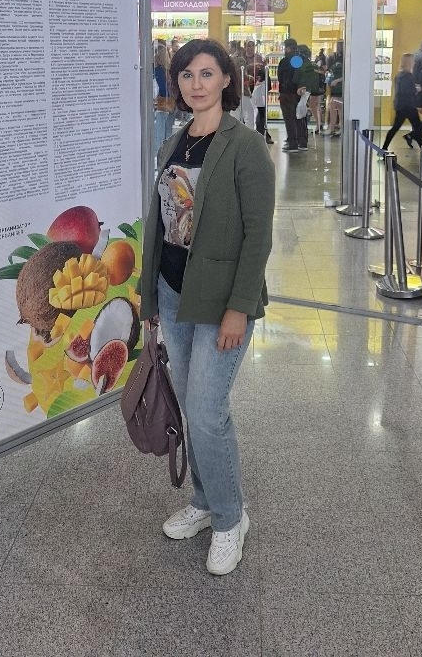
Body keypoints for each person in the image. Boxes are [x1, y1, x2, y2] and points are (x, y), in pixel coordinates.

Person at [139, 38, 275, 577]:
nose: (195, 84)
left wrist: (239, 308)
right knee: (195, 407)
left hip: (221, 299)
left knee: (206, 410)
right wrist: (150, 294)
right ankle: (204, 498)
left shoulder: (245, 146)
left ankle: (229, 519)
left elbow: (259, 235)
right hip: (175, 293)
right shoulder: (174, 143)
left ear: (226, 80)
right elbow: (161, 224)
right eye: (186, 75)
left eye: (206, 73)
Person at [382, 53, 422, 151]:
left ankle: (384, 147)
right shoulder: (408, 76)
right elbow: (407, 91)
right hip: (409, 105)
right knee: (417, 127)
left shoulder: (399, 75)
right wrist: (416, 89)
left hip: (400, 105)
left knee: (396, 127)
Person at [277, 37, 301, 152]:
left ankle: (292, 143)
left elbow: (280, 77)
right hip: (297, 92)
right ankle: (298, 140)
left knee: (289, 118)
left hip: (286, 93)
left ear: (287, 48)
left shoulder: (285, 61)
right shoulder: (299, 59)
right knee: (297, 118)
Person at [153, 41, 175, 162]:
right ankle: (167, 159)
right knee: (168, 135)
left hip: (161, 106)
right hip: (171, 105)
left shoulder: (157, 71)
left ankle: (160, 161)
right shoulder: (170, 69)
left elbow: (160, 89)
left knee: (159, 137)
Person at [251, 66, 273, 144]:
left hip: (258, 96)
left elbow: (268, 84)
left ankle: (261, 135)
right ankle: (261, 135)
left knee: (260, 116)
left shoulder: (261, 66)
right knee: (259, 116)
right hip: (254, 94)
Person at [324, 51, 343, 137]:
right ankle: (338, 128)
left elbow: (329, 80)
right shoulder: (338, 65)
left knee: (334, 108)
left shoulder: (335, 66)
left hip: (337, 90)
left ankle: (333, 128)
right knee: (338, 109)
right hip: (338, 90)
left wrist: (336, 81)